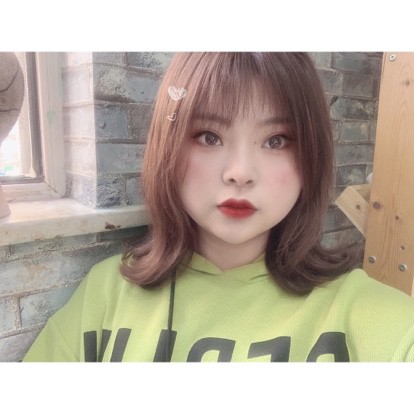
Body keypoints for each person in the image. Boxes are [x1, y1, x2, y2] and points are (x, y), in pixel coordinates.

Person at [23, 53, 414, 362]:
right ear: (168, 146)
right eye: (209, 137)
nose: (240, 173)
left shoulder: (369, 315)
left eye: (276, 140)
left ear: (312, 156)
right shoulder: (107, 293)